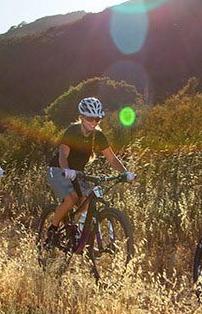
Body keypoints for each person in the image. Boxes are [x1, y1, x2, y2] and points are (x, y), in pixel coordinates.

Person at [44, 97, 135, 245]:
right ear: (81, 117)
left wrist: (125, 172)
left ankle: (79, 237)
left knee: (86, 203)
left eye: (97, 120)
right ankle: (53, 229)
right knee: (71, 198)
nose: (93, 123)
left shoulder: (98, 136)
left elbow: (111, 158)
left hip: (78, 173)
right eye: (90, 119)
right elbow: (62, 155)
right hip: (58, 169)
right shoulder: (72, 131)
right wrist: (66, 170)